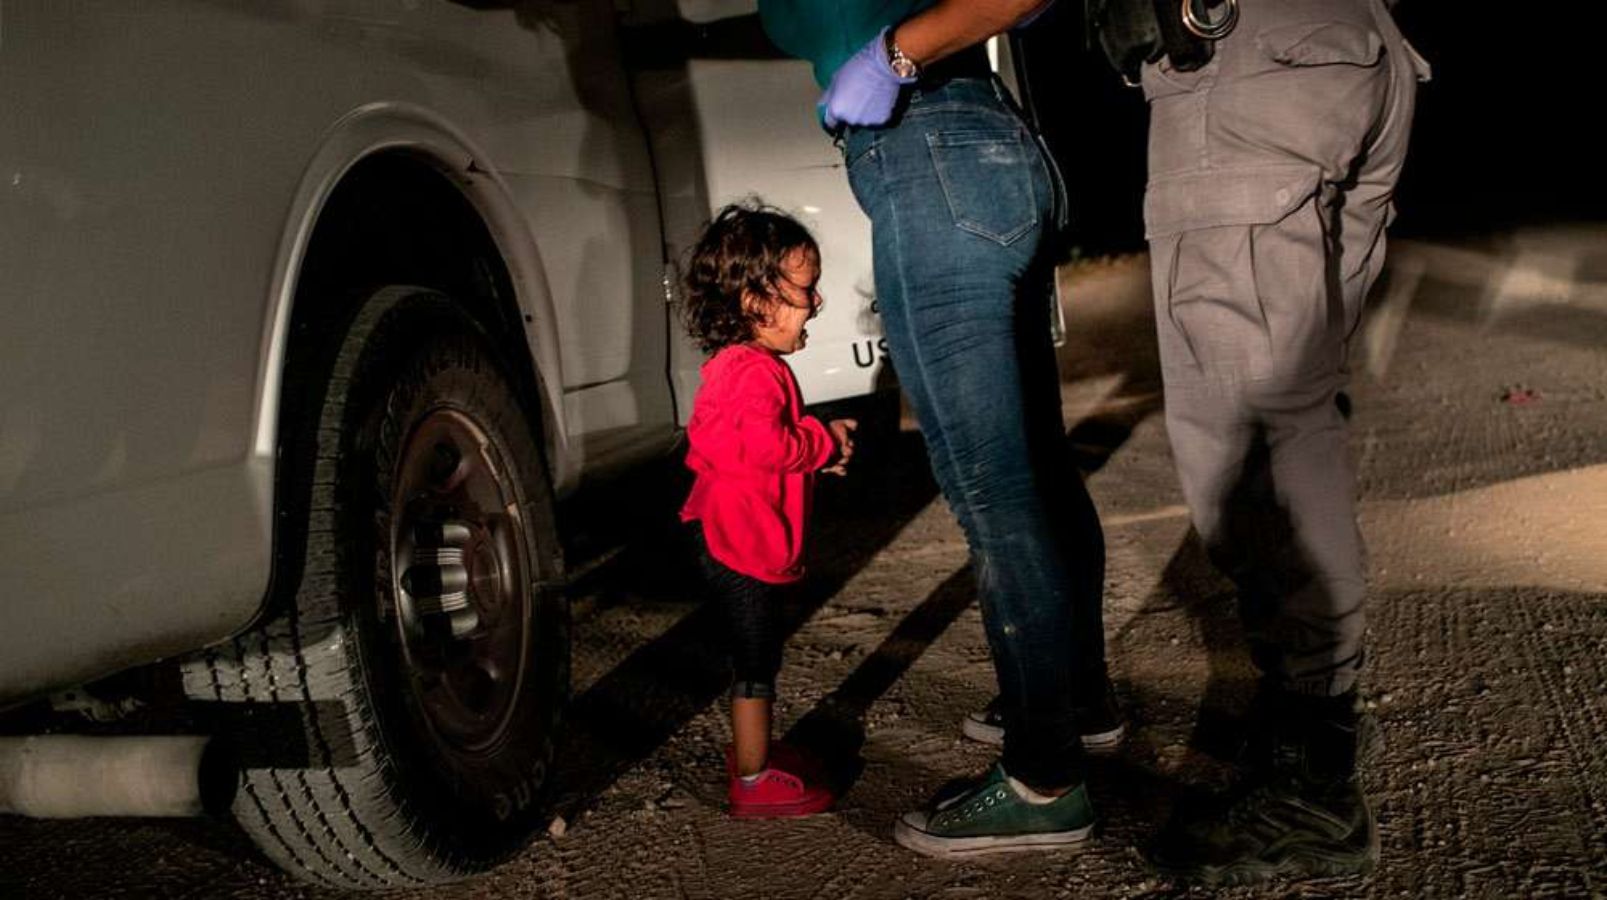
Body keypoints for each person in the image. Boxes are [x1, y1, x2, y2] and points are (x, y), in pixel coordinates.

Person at [758, 0, 1120, 857]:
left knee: (993, 490)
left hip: (928, 157)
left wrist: (890, 58)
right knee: (1032, 465)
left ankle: (1042, 781)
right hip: (982, 147)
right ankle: (1076, 701)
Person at [1125, 0, 1427, 884]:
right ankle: (1304, 732)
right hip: (1348, 47)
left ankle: (1312, 787)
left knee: (1253, 436)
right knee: (1295, 406)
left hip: (1257, 53)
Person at [679, 202, 858, 819]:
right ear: (756, 301)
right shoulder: (752, 373)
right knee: (756, 660)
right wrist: (822, 441)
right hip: (738, 545)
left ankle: (754, 754)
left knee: (755, 654)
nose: (814, 303)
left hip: (728, 536)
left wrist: (814, 450)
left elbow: (748, 448)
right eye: (805, 291)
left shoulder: (742, 368)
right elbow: (763, 446)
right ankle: (752, 779)